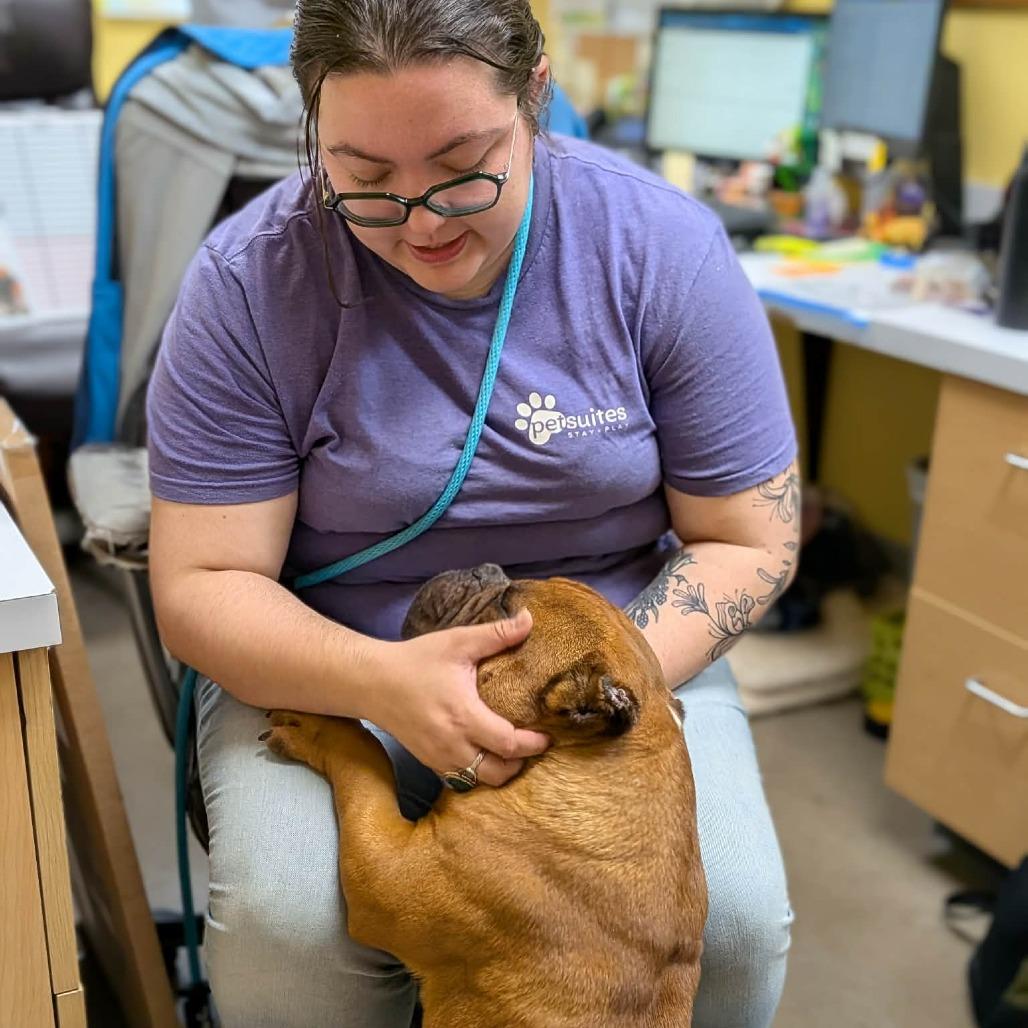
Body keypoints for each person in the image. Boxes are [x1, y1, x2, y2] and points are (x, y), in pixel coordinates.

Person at [146, 1, 799, 1024]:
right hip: (335, 656)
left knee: (738, 927)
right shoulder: (248, 283)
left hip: (611, 664)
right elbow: (201, 582)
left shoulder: (659, 248)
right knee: (291, 929)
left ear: (534, 95)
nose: (423, 223)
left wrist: (588, 695)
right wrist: (382, 682)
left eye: (463, 168)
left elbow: (748, 537)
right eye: (364, 178)